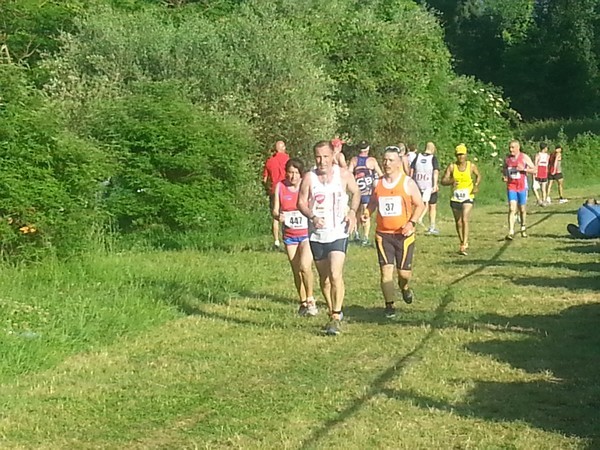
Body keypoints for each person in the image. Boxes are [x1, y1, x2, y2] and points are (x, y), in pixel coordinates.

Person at [297, 140, 360, 335]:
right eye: (318, 157)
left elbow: (356, 192)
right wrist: (312, 216)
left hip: (338, 232)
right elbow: (301, 202)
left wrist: (352, 212)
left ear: (333, 155)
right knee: (324, 279)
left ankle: (335, 315)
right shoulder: (309, 177)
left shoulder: (342, 174)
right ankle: (333, 309)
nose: (322, 161)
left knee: (335, 274)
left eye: (325, 156)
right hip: (317, 235)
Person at [363, 146, 425, 318]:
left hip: (403, 235)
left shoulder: (407, 183)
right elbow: (373, 202)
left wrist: (411, 223)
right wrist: (367, 213)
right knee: (385, 272)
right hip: (383, 235)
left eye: (391, 160)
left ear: (399, 163)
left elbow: (420, 205)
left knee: (403, 274)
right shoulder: (378, 183)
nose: (386, 163)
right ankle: (389, 306)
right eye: (384, 160)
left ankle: (404, 287)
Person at [272, 158, 318, 316]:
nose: (293, 176)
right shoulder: (280, 187)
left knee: (305, 266)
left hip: (306, 234)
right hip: (290, 236)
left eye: (296, 173)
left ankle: (311, 299)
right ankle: (303, 301)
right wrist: (279, 216)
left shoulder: (306, 187)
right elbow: (275, 210)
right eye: (290, 173)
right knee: (296, 270)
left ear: (301, 174)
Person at [441, 144, 481, 255]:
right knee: (458, 222)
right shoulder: (452, 167)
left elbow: (478, 175)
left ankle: (465, 243)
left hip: (468, 196)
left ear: (466, 154)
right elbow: (443, 181)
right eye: (458, 155)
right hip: (455, 197)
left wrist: (476, 185)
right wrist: (451, 181)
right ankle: (461, 240)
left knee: (464, 219)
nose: (460, 157)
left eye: (462, 154)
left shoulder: (471, 166)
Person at [348, 140, 383, 245]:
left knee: (356, 212)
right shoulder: (372, 161)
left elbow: (349, 173)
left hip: (357, 191)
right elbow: (380, 174)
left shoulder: (354, 160)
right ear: (368, 149)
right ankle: (365, 237)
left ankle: (356, 233)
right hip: (367, 191)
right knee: (366, 213)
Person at [502, 139, 536, 240]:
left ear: (518, 148)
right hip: (511, 186)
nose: (510, 149)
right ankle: (511, 231)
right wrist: (505, 176)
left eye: (512, 147)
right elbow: (504, 169)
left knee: (522, 209)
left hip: (522, 186)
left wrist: (524, 169)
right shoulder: (507, 159)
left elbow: (535, 170)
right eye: (510, 147)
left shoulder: (524, 157)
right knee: (512, 208)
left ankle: (523, 227)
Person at [262, 140, 289, 249]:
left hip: (274, 190)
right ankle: (287, 238)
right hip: (285, 189)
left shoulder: (269, 161)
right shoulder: (288, 160)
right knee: (287, 214)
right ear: (283, 148)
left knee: (275, 216)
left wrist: (267, 189)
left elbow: (264, 179)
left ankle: (276, 241)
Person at [410, 141, 440, 234]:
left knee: (416, 205)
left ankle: (412, 225)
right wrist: (435, 184)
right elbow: (435, 172)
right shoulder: (433, 158)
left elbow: (412, 170)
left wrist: (410, 181)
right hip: (429, 185)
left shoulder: (417, 157)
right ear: (433, 149)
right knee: (432, 206)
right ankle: (432, 226)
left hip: (418, 185)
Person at [533, 142, 550, 206]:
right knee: (543, 188)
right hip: (543, 171)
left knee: (535, 188)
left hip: (539, 171)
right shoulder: (547, 156)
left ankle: (539, 199)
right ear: (545, 148)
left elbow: (536, 164)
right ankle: (543, 200)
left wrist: (535, 172)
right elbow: (547, 164)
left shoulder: (538, 155)